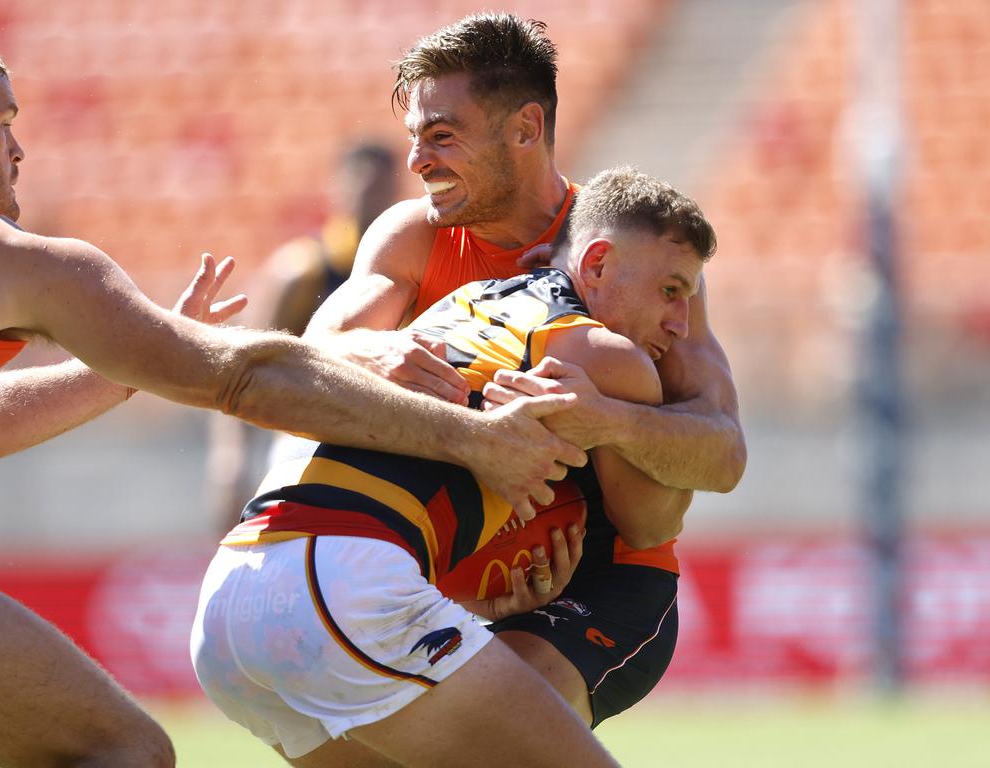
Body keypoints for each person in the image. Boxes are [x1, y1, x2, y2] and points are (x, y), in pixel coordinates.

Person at [0, 40, 585, 768]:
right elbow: (246, 377)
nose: (19, 147)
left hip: (258, 601)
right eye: (1, 122)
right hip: (320, 577)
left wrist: (128, 362)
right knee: (120, 752)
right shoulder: (14, 259)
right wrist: (473, 439)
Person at [304, 12, 747, 732]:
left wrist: (608, 419)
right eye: (415, 136)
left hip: (603, 576)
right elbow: (322, 349)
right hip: (454, 581)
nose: (416, 159)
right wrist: (382, 354)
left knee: (503, 725)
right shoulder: (412, 238)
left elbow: (723, 448)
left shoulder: (634, 256)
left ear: (525, 128)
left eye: (441, 134)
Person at [191, 166, 715, 767]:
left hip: (229, 601)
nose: (680, 324)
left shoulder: (454, 301)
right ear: (594, 265)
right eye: (671, 291)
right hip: (341, 584)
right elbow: (650, 525)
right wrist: (620, 420)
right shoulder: (602, 357)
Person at [206, 143, 398, 526]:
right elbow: (245, 366)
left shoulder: (406, 272)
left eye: (381, 188)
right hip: (303, 448)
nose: (371, 197)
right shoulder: (302, 272)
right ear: (339, 187)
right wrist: (231, 460)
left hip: (385, 447)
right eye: (362, 184)